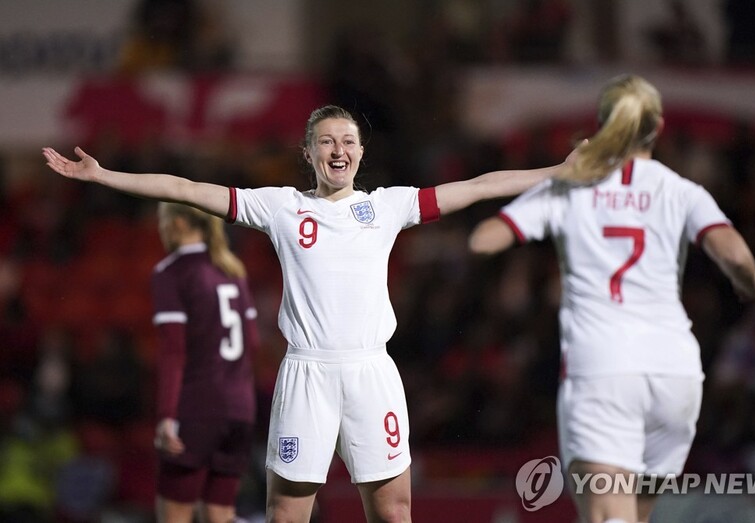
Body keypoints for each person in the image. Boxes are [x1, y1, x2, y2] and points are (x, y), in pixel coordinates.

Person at [43, 104, 578, 523]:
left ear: (362, 154)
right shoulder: (281, 207)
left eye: (348, 142)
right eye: (327, 141)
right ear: (308, 152)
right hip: (307, 374)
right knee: (286, 514)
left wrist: (558, 170)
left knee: (395, 512)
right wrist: (105, 176)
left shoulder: (389, 206)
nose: (338, 150)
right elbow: (185, 189)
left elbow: (480, 186)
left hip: (371, 372)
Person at [468, 74, 755, 523]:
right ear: (658, 127)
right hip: (675, 375)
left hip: (603, 370)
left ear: (604, 126)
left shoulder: (572, 185)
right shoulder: (683, 191)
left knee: (610, 517)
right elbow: (733, 252)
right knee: (637, 517)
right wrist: (751, 284)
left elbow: (485, 239)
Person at [151, 202, 259, 523]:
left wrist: (167, 415)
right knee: (221, 514)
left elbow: (174, 351)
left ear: (179, 224)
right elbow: (252, 344)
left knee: (175, 514)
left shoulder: (172, 272)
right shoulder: (233, 270)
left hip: (198, 407)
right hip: (240, 408)